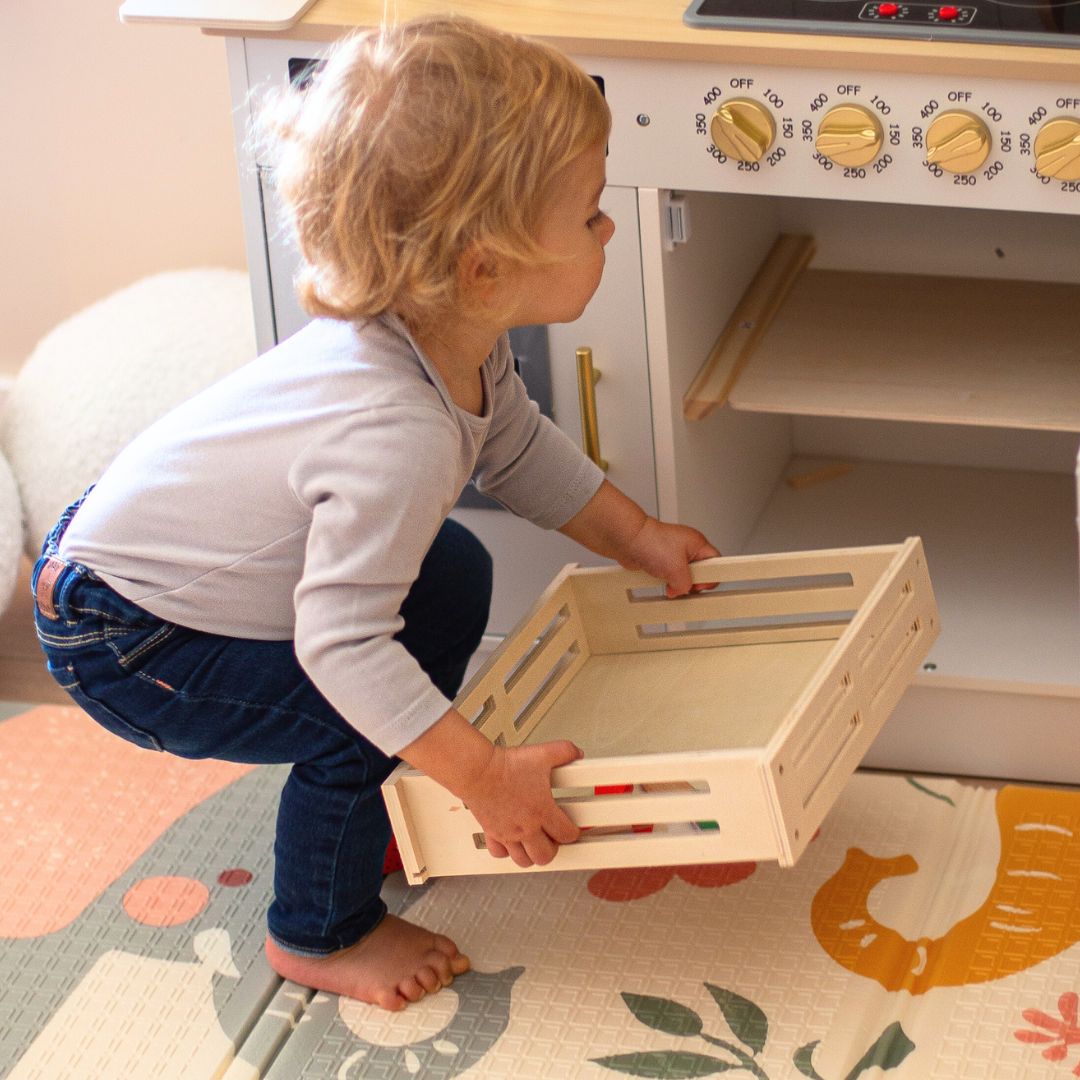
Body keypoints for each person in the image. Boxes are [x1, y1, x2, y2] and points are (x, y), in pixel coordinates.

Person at [31, 14, 719, 1012]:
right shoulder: (393, 429)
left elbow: (518, 448)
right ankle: (320, 930)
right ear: (483, 268)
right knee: (353, 718)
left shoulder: (450, 336)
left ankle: (370, 800)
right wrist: (482, 775)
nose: (607, 229)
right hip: (130, 638)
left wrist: (637, 536)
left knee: (452, 575)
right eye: (591, 215)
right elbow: (343, 649)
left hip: (152, 578)